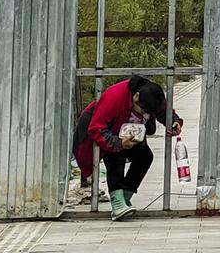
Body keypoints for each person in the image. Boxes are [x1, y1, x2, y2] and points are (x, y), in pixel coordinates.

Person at [72, 75, 182, 221]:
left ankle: (125, 196)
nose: (143, 114)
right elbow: (95, 128)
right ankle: (117, 204)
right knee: (116, 157)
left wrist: (174, 122)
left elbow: (164, 112)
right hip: (106, 131)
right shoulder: (115, 98)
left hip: (126, 132)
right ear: (135, 97)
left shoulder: (152, 95)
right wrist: (118, 143)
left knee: (145, 157)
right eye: (141, 110)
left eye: (147, 113)